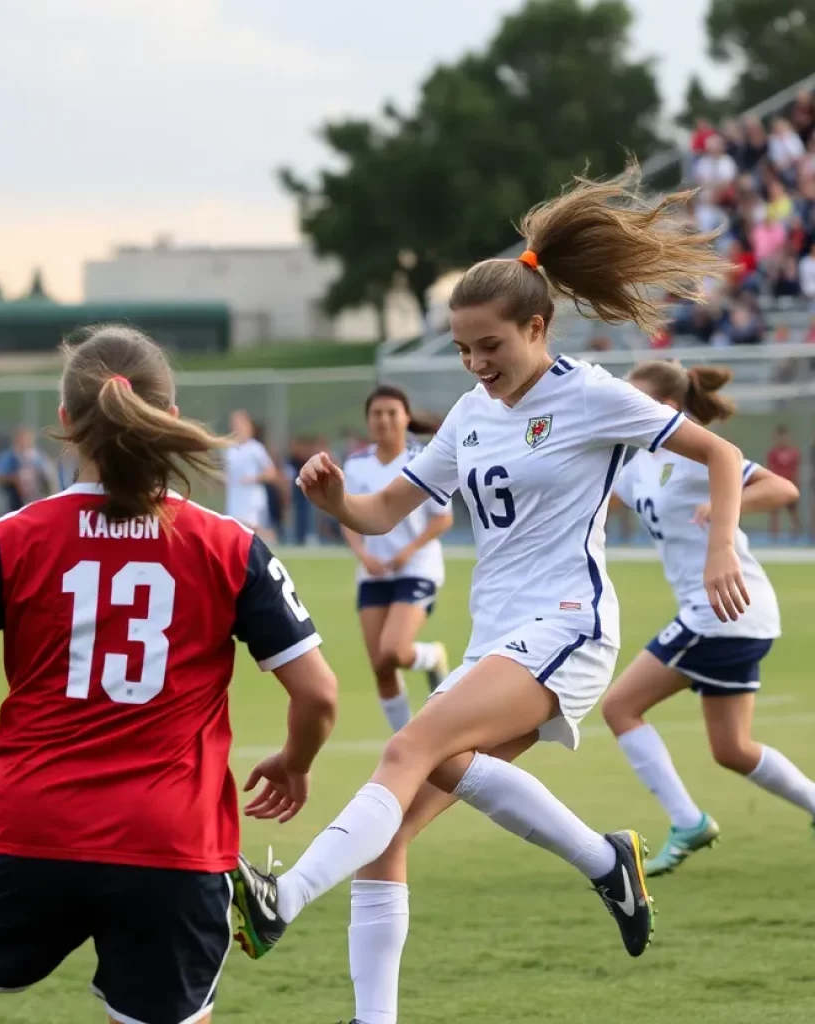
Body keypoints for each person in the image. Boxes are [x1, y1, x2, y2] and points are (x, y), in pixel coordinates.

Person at [231, 167, 750, 1024]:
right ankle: (602, 861)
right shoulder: (471, 414)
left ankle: (281, 901)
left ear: (537, 328)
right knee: (390, 829)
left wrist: (721, 547)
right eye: (464, 350)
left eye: (491, 348)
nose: (476, 365)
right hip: (497, 638)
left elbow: (722, 458)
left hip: (567, 628)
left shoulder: (589, 396)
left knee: (402, 758)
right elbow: (385, 507)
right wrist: (335, 505)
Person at [0, 324, 338, 1024]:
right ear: (170, 418)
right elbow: (318, 693)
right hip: (173, 843)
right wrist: (294, 760)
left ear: (65, 424)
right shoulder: (228, 544)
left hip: (31, 828)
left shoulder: (15, 537)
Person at [603, 361, 813, 876]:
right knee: (733, 749)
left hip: (722, 612)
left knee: (620, 707)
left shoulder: (698, 454)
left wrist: (724, 512)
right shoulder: (637, 466)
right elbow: (595, 502)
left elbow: (784, 490)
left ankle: (688, 821)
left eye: (638, 399)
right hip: (732, 615)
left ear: (669, 409)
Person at [343, 385, 452, 731]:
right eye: (377, 414)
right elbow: (347, 516)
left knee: (394, 649)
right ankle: (404, 741)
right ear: (367, 421)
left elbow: (442, 517)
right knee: (381, 666)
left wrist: (408, 550)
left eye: (392, 412)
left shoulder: (424, 458)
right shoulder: (356, 464)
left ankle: (432, 656)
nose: (384, 420)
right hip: (374, 572)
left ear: (406, 417)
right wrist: (363, 554)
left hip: (416, 567)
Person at [224, 409, 277, 540]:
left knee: (253, 530)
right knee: (236, 529)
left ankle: (273, 542)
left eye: (239, 423)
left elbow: (271, 473)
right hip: (235, 496)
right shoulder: (229, 448)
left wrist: (253, 479)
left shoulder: (256, 448)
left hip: (251, 496)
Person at [0, 426, 57, 516]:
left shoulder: (38, 457)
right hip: (13, 498)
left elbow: (49, 475)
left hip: (35, 496)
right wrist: (15, 479)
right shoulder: (9, 456)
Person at [765, 425, 803, 540]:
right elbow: (769, 469)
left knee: (793, 512)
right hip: (777, 486)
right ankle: (774, 536)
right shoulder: (772, 453)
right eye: (780, 437)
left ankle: (797, 533)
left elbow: (796, 470)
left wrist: (796, 485)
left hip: (790, 485)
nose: (783, 439)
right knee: (774, 511)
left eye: (785, 437)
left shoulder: (794, 453)